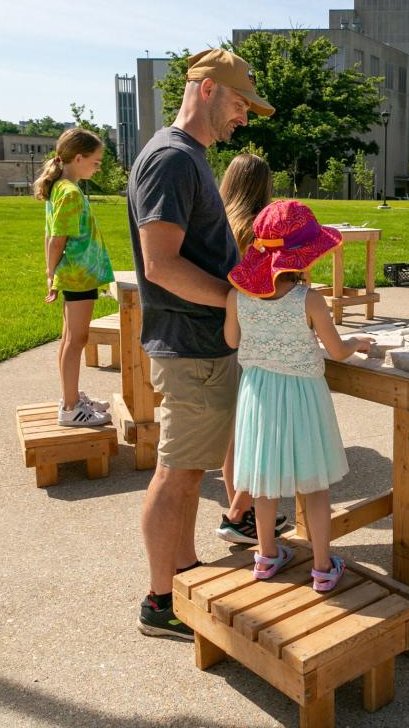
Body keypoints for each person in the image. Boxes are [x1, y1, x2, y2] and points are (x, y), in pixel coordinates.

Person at [128, 48, 275, 640]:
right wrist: (240, 300)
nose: (244, 117)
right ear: (208, 89)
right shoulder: (172, 159)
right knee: (180, 473)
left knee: (187, 473)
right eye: (240, 103)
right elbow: (161, 265)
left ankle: (183, 575)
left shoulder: (187, 156)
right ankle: (161, 602)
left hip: (202, 344)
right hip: (191, 347)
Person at [224, 199, 373, 586]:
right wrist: (358, 340)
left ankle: (266, 556)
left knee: (263, 480)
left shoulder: (237, 296)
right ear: (302, 257)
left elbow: (230, 339)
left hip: (258, 394)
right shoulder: (309, 300)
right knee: (314, 485)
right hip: (303, 397)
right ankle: (323, 568)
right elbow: (337, 350)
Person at [214, 153, 289, 543]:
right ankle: (240, 512)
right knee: (260, 432)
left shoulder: (218, 221)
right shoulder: (262, 228)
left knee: (237, 432)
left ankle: (243, 511)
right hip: (261, 339)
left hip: (227, 331)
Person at [33, 127, 114, 427]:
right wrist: (51, 272)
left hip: (75, 275)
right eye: (95, 160)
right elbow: (57, 239)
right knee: (76, 339)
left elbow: (48, 235)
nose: (98, 165)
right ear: (78, 158)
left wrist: (50, 272)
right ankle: (70, 407)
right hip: (78, 276)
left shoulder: (62, 188)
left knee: (70, 338)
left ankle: (71, 397)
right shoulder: (69, 192)